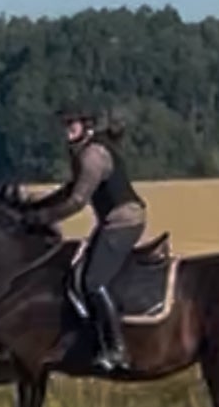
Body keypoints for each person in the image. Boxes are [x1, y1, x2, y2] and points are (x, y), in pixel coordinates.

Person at [22, 109, 147, 371]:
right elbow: (70, 190)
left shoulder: (93, 156)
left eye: (72, 124)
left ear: (86, 126)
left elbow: (78, 201)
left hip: (123, 221)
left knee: (92, 281)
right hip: (114, 221)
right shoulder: (83, 151)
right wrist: (37, 205)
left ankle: (116, 349)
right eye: (65, 124)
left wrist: (44, 218)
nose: (67, 129)